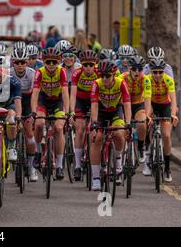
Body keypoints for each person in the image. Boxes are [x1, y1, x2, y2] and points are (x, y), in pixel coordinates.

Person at [90, 59, 132, 191]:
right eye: (102, 75)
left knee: (120, 134)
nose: (104, 78)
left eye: (107, 76)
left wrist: (128, 123)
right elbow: (94, 105)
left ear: (113, 75)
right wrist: (94, 123)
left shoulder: (121, 83)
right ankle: (96, 178)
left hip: (116, 112)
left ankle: (118, 161)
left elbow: (126, 104)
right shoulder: (96, 84)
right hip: (101, 113)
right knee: (96, 139)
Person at [31, 47, 70, 180]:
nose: (51, 65)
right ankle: (37, 151)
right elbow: (35, 94)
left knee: (59, 128)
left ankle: (59, 166)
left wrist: (67, 112)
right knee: (40, 123)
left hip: (58, 101)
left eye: (54, 62)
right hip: (43, 100)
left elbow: (65, 93)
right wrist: (33, 112)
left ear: (58, 62)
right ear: (44, 62)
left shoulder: (62, 71)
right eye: (48, 62)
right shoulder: (39, 72)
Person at [145, 58, 178, 182]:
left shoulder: (168, 80)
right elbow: (147, 99)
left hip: (165, 105)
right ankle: (148, 154)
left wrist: (173, 115)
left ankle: (167, 168)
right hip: (152, 104)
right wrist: (148, 116)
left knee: (166, 135)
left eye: (160, 72)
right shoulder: (147, 79)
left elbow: (173, 100)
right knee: (149, 124)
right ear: (151, 72)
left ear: (164, 71)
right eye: (155, 72)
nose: (158, 75)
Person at [69, 50, 99, 181]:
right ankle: (77, 166)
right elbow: (73, 94)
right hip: (81, 101)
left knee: (94, 129)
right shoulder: (77, 73)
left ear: (95, 64)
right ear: (82, 64)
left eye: (90, 65)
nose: (88, 68)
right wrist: (71, 112)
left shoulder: (99, 73)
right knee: (80, 129)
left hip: (95, 101)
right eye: (85, 65)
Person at [11, 47, 38, 181]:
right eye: (17, 62)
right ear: (13, 63)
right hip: (13, 100)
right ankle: (12, 149)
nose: (20, 65)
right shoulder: (9, 74)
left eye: (23, 62)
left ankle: (31, 166)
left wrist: (33, 113)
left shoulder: (32, 74)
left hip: (28, 101)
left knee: (29, 133)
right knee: (12, 126)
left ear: (27, 62)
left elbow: (35, 95)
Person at [119, 55, 152, 164]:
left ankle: (141, 147)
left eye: (140, 69)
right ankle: (120, 155)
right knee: (122, 130)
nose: (137, 72)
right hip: (124, 105)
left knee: (142, 123)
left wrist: (147, 116)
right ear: (129, 69)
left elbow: (147, 99)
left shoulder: (145, 80)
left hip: (138, 105)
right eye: (134, 69)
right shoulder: (122, 77)